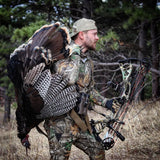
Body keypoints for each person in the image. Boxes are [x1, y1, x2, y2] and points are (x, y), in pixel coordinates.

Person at [44, 18, 118, 160]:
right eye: (94, 34)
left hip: (79, 122)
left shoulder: (87, 61)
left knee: (98, 152)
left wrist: (106, 102)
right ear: (82, 35)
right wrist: (75, 53)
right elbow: (65, 80)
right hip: (60, 124)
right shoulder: (62, 54)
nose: (97, 38)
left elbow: (88, 90)